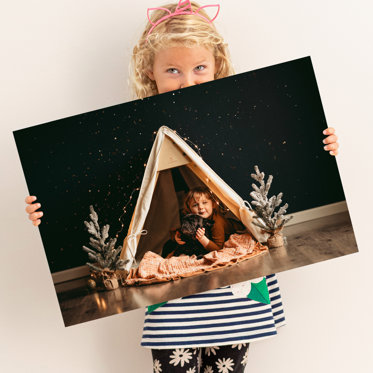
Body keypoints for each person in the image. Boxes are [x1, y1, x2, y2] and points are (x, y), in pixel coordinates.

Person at [24, 2, 340, 372]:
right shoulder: (133, 131)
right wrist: (41, 211)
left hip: (234, 298)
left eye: (199, 68)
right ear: (150, 72)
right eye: (173, 70)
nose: (187, 81)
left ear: (217, 66)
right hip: (177, 303)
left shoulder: (231, 121)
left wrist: (326, 149)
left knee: (229, 366)